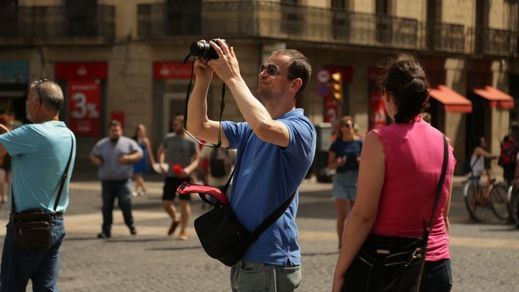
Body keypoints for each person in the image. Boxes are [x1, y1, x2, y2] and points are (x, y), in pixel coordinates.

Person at [187, 40, 316, 291]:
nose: (263, 74)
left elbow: (265, 128)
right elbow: (197, 127)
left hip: (271, 261)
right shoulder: (249, 130)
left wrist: (233, 77)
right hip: (245, 256)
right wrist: (203, 80)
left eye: (272, 70)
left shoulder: (301, 129)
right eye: (263, 67)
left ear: (295, 84)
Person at [332, 60, 456, 291]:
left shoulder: (378, 140)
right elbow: (443, 215)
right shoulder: (444, 143)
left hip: (388, 265)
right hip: (437, 265)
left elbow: (363, 216)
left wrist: (340, 272)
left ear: (387, 97)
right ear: (424, 98)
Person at [0, 79, 76, 291]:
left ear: (38, 103)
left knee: (10, 287)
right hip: (55, 224)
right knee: (46, 288)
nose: (27, 104)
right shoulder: (68, 135)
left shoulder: (33, 132)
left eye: (28, 100)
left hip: (27, 227)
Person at [90, 120, 143, 239]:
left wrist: (129, 157)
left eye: (117, 130)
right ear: (109, 131)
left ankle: (131, 225)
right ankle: (106, 230)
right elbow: (93, 155)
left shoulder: (128, 143)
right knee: (107, 207)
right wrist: (96, 160)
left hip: (123, 181)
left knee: (125, 203)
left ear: (121, 130)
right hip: (107, 181)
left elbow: (140, 153)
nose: (115, 132)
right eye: (113, 130)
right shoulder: (102, 144)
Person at [157, 116, 199, 240]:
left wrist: (189, 169)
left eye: (176, 124)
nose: (174, 127)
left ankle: (183, 230)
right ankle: (175, 219)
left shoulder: (191, 141)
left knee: (183, 203)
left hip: (184, 177)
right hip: (170, 175)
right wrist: (161, 164)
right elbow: (160, 151)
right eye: (173, 124)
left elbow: (197, 159)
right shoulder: (168, 138)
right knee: (166, 203)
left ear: (183, 124)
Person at [327, 116, 362, 249]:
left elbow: (367, 160)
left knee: (354, 215)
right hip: (340, 178)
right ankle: (341, 243)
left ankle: (352, 242)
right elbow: (329, 166)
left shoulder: (359, 143)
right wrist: (338, 163)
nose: (350, 127)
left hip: (355, 179)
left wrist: (361, 161)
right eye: (347, 125)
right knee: (342, 214)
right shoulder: (336, 144)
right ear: (341, 128)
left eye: (351, 125)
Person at [132, 123, 156, 196]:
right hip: (135, 159)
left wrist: (152, 161)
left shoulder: (145, 140)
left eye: (142, 130)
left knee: (138, 175)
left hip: (142, 160)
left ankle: (137, 189)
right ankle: (142, 188)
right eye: (139, 130)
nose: (141, 132)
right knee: (136, 175)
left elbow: (149, 151)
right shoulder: (134, 139)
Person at [0, 114, 12, 205]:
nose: (9, 125)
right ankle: (3, 197)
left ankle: (7, 197)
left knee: (8, 180)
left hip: (9, 160)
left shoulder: (10, 133)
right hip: (1, 160)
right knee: (2, 179)